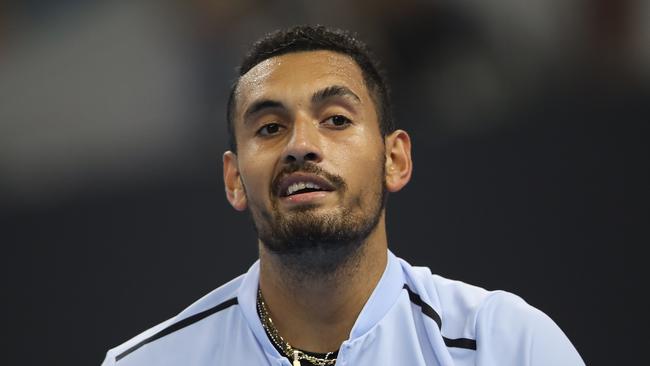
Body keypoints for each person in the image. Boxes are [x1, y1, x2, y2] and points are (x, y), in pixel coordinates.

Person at [102, 25, 584, 366]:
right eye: (270, 127)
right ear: (233, 180)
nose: (300, 146)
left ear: (394, 159)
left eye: (336, 119)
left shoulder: (503, 347)